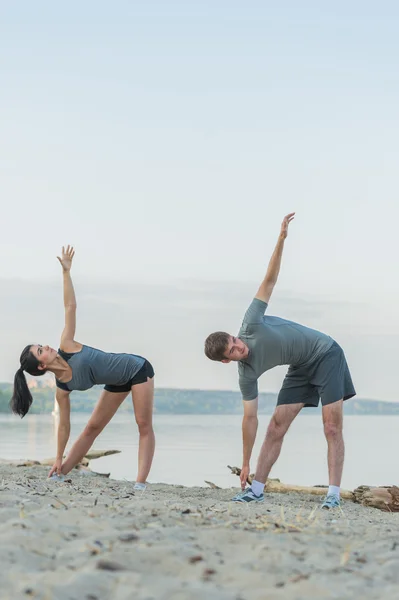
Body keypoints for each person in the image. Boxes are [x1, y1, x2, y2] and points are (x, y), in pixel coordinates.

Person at [204, 214, 355, 509]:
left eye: (235, 342)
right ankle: (257, 488)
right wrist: (245, 462)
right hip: (299, 367)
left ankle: (333, 495)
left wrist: (281, 239)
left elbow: (269, 280)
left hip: (326, 353)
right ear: (226, 361)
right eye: (233, 352)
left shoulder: (250, 323)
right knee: (275, 426)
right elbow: (250, 418)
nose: (240, 348)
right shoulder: (246, 373)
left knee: (331, 427)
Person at [11, 246, 155, 489]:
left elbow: (70, 307)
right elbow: (64, 426)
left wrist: (66, 273)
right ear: (42, 365)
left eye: (41, 345)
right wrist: (58, 457)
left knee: (143, 424)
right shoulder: (62, 388)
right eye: (40, 350)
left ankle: (139, 484)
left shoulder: (67, 345)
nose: (46, 346)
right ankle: (59, 474)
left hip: (137, 369)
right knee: (92, 427)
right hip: (117, 381)